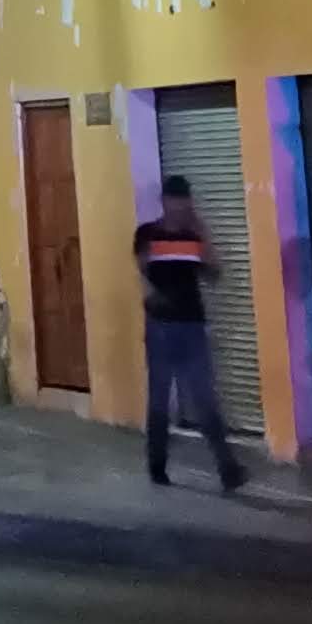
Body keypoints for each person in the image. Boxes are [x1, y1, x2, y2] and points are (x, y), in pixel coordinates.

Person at [135, 174, 245, 491]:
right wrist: (153, 297)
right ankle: (157, 466)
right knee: (158, 400)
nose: (182, 205)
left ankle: (228, 469)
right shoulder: (147, 234)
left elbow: (215, 274)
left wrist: (203, 235)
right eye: (177, 199)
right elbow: (143, 272)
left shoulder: (193, 236)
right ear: (165, 201)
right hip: (160, 328)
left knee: (205, 400)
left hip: (192, 326)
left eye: (186, 200)